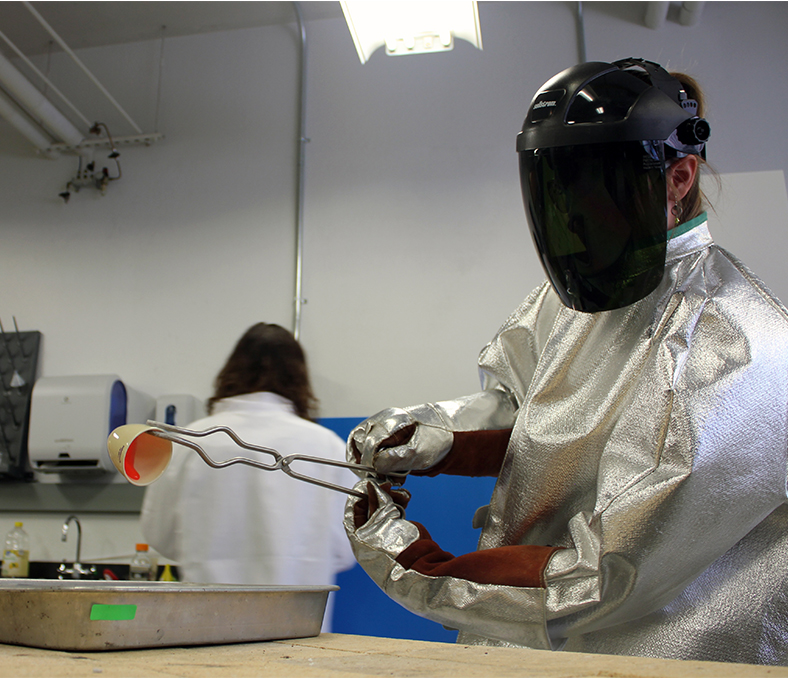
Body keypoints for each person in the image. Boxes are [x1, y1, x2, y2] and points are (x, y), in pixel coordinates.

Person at [344, 58, 788, 665]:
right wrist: (431, 437)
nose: (575, 218)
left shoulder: (729, 344)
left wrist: (415, 565)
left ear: (678, 177)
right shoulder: (564, 305)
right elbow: (533, 418)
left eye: (596, 187)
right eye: (558, 189)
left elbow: (603, 576)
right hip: (537, 652)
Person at [141, 322, 356, 629]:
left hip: (205, 630)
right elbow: (346, 551)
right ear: (299, 378)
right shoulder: (327, 447)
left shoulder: (187, 443)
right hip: (297, 634)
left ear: (230, 373)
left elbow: (159, 535)